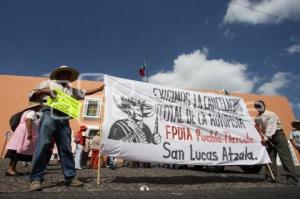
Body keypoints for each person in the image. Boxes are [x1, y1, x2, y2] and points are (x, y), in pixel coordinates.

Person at [28, 65, 104, 191]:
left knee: (66, 148)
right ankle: (36, 179)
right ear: (59, 74)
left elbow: (85, 92)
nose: (67, 76)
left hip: (64, 119)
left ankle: (70, 177)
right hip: (49, 113)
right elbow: (31, 95)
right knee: (43, 145)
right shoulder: (48, 83)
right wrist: (44, 91)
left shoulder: (70, 90)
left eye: (68, 75)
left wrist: (99, 88)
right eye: (64, 73)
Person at [254, 100, 298, 185]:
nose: (258, 107)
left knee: (285, 157)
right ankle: (270, 177)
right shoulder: (257, 118)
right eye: (256, 106)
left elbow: (271, 127)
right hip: (268, 137)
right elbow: (259, 128)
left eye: (259, 105)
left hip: (278, 134)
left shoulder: (271, 114)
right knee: (270, 157)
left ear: (264, 105)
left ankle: (292, 179)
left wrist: (266, 138)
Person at [5, 104, 41, 176]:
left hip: (21, 133)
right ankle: (10, 169)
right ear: (36, 106)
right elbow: (28, 121)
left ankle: (11, 168)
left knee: (17, 150)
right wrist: (30, 133)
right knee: (19, 150)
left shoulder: (27, 112)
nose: (40, 107)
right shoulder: (32, 112)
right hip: (24, 133)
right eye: (39, 106)